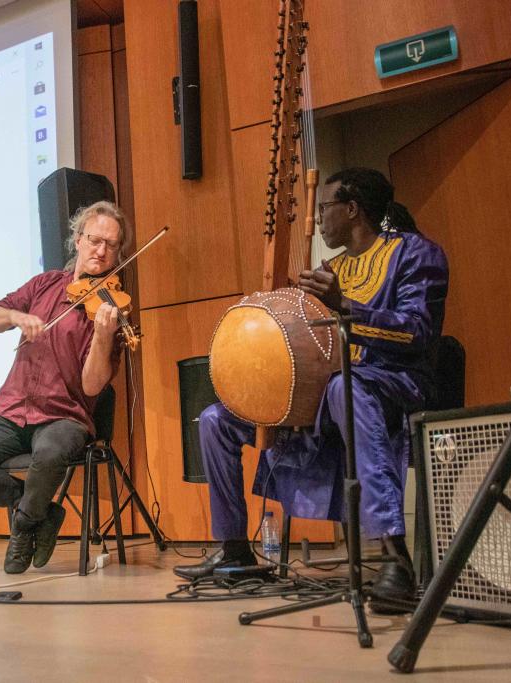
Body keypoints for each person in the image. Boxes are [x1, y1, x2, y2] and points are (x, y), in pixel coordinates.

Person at [173, 168, 449, 609]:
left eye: (324, 207)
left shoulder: (415, 253)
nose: (319, 218)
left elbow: (417, 333)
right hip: (325, 394)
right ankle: (235, 550)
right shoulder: (330, 270)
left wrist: (345, 308)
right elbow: (311, 346)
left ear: (352, 209)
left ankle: (394, 558)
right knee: (215, 418)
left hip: (393, 385)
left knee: (344, 388)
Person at [0, 201, 126, 574]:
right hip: (13, 408)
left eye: (111, 245)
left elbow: (92, 386)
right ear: (78, 240)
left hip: (65, 415)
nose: (101, 251)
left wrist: (103, 337)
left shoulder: (111, 308)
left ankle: (25, 526)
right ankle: (43, 512)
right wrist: (16, 316)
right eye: (95, 240)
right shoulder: (44, 284)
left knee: (49, 453)